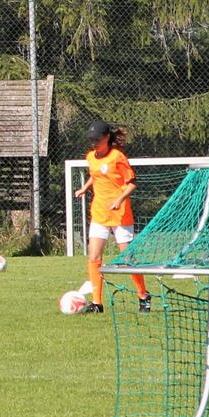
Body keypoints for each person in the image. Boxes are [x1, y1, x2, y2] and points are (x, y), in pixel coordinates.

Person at [74, 122, 149, 314]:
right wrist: (85, 188)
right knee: (94, 256)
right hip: (100, 213)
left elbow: (132, 183)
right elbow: (96, 174)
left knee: (128, 258)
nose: (94, 143)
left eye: (97, 140)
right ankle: (97, 303)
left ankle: (143, 295)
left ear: (107, 138)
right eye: (91, 140)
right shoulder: (91, 156)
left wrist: (119, 199)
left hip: (120, 214)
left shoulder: (117, 157)